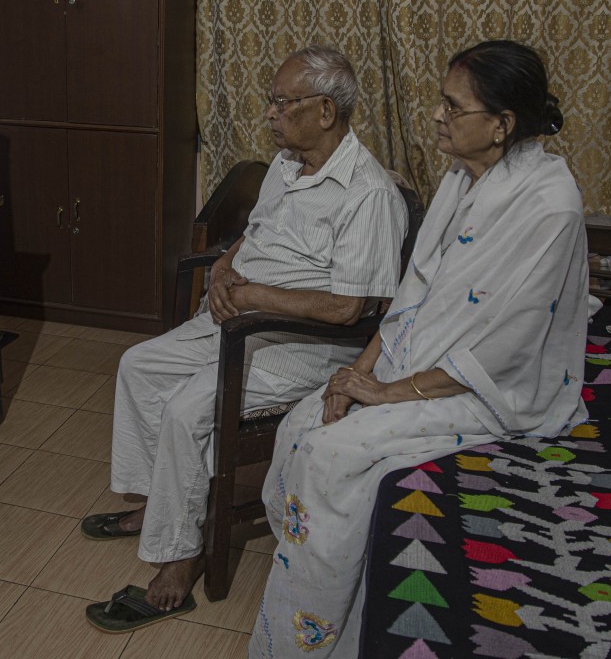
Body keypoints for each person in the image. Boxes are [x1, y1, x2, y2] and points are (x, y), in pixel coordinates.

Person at [248, 40, 590, 658]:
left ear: (501, 125)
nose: (435, 115)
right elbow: (414, 292)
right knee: (299, 425)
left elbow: (506, 348)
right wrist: (358, 369)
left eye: (452, 107)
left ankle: (322, 642)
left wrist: (383, 393)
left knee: (330, 456)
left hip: (491, 390)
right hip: (417, 360)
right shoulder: (464, 176)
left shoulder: (549, 205)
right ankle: (311, 609)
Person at [83, 45, 408, 631]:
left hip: (300, 342)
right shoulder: (286, 166)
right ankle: (154, 507)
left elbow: (348, 307)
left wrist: (254, 296)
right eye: (272, 101)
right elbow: (255, 234)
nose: (270, 114)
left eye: (283, 103)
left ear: (327, 111)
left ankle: (179, 564)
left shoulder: (369, 194)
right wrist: (227, 267)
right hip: (239, 319)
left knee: (187, 408)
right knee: (138, 364)